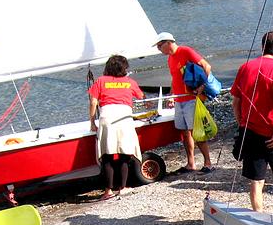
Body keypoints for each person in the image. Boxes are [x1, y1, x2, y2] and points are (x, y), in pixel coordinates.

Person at [230, 30, 273, 213]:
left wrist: (242, 123)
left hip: (250, 131)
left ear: (262, 46)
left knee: (256, 181)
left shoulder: (245, 67)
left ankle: (258, 216)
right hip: (272, 134)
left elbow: (235, 102)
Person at [154, 32, 214, 173]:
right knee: (185, 133)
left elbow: (206, 66)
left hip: (191, 99)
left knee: (196, 132)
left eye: (159, 46)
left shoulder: (185, 51)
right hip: (179, 99)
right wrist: (171, 95)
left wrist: (202, 87)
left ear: (168, 43)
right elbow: (175, 78)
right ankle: (191, 163)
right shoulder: (170, 58)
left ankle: (208, 163)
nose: (158, 49)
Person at [88, 55, 144, 201]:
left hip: (107, 117)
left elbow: (93, 102)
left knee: (107, 155)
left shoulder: (100, 81)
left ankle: (108, 191)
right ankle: (123, 187)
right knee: (124, 154)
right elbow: (141, 97)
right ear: (123, 68)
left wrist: (92, 122)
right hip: (124, 118)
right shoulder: (129, 82)